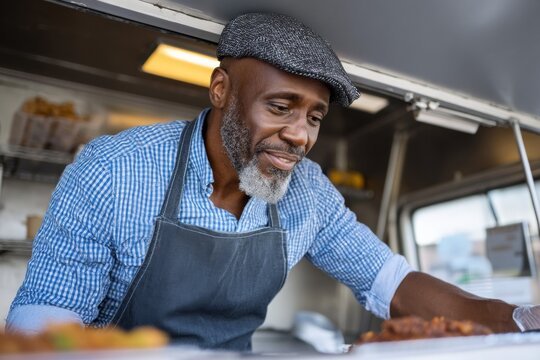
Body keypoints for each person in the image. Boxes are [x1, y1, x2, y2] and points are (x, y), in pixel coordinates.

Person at [6, 12, 539, 350]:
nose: (300, 136)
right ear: (220, 90)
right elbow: (41, 332)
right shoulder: (114, 170)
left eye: (314, 117)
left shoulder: (308, 191)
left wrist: (518, 319)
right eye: (280, 107)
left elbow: (393, 284)